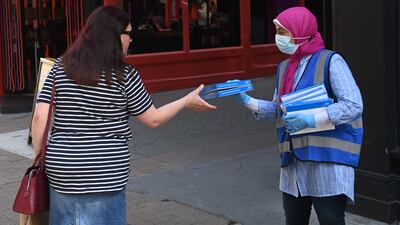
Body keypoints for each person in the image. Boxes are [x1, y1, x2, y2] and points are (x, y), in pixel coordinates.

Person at [31, 6, 216, 225]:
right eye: (128, 34)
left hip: (62, 168)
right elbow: (153, 119)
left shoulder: (60, 68)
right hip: (106, 171)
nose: (131, 40)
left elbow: (40, 118)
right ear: (113, 36)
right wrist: (185, 101)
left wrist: (39, 160)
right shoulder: (125, 75)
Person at [233, 7, 363, 225]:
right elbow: (279, 109)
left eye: (283, 32)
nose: (278, 38)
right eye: (277, 31)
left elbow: (353, 105)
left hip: (326, 160)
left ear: (301, 31)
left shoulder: (331, 61)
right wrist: (248, 101)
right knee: (294, 220)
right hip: (293, 162)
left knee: (331, 219)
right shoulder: (284, 67)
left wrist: (313, 119)